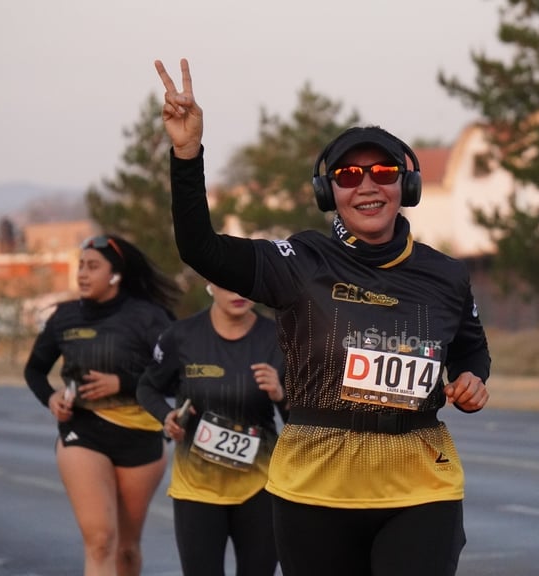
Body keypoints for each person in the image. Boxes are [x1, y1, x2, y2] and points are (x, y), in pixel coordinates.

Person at [154, 58, 491, 576]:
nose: (367, 186)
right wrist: (186, 153)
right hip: (314, 484)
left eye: (383, 173)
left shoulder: (445, 274)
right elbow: (201, 248)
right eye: (349, 175)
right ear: (327, 192)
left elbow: (470, 350)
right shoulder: (300, 262)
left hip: (421, 483)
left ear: (406, 186)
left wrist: (471, 378)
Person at [23, 234, 180, 576]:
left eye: (93, 266)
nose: (82, 274)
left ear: (115, 274)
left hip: (140, 435)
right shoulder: (64, 317)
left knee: (126, 549)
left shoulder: (148, 317)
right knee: (99, 541)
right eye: (80, 266)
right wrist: (50, 397)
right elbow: (34, 370)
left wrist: (123, 383)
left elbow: (177, 377)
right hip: (83, 431)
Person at [137, 281, 288, 576]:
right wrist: (167, 416)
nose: (238, 293)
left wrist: (280, 394)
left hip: (260, 485)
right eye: (227, 284)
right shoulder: (181, 336)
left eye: (245, 283)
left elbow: (300, 418)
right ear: (209, 284)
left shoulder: (278, 337)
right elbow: (147, 387)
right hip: (196, 487)